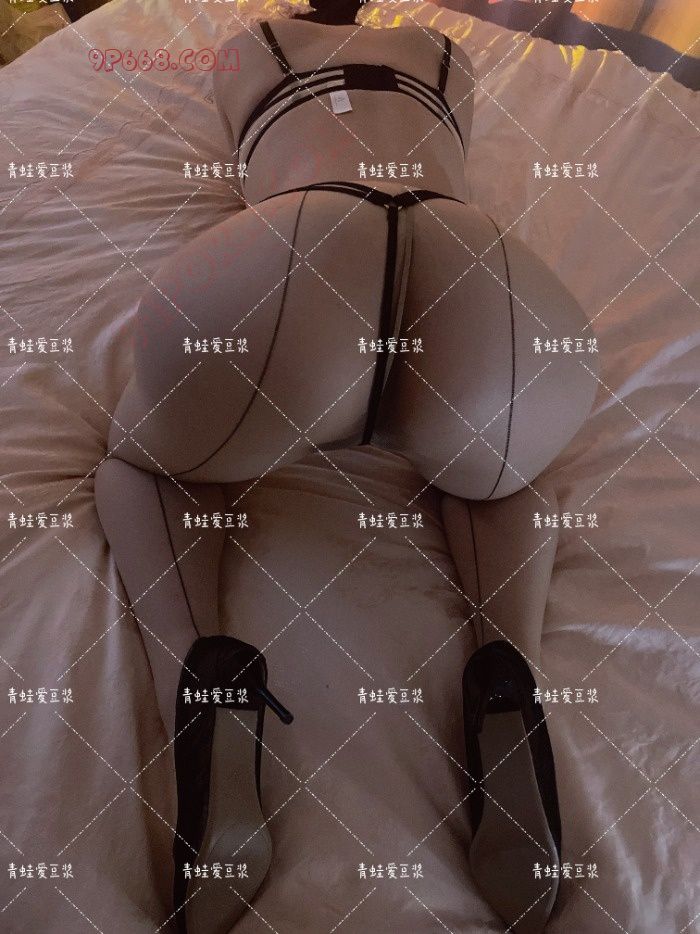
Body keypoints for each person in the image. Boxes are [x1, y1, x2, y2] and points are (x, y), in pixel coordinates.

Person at [94, 0, 599, 931]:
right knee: (505, 477)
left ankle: (198, 672)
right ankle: (506, 666)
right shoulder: (445, 54)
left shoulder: (255, 44)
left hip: (297, 249)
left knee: (142, 463)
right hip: (481, 274)